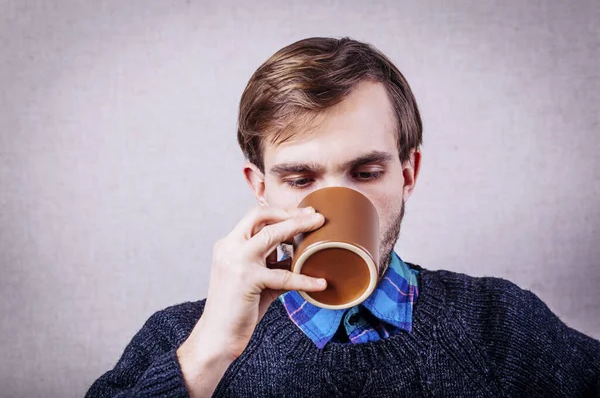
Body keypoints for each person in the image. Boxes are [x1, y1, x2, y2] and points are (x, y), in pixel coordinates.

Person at [86, 37, 600, 397]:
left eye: (366, 171)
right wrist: (209, 353)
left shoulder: (500, 324)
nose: (329, 203)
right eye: (299, 179)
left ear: (407, 173)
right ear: (261, 189)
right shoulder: (181, 339)